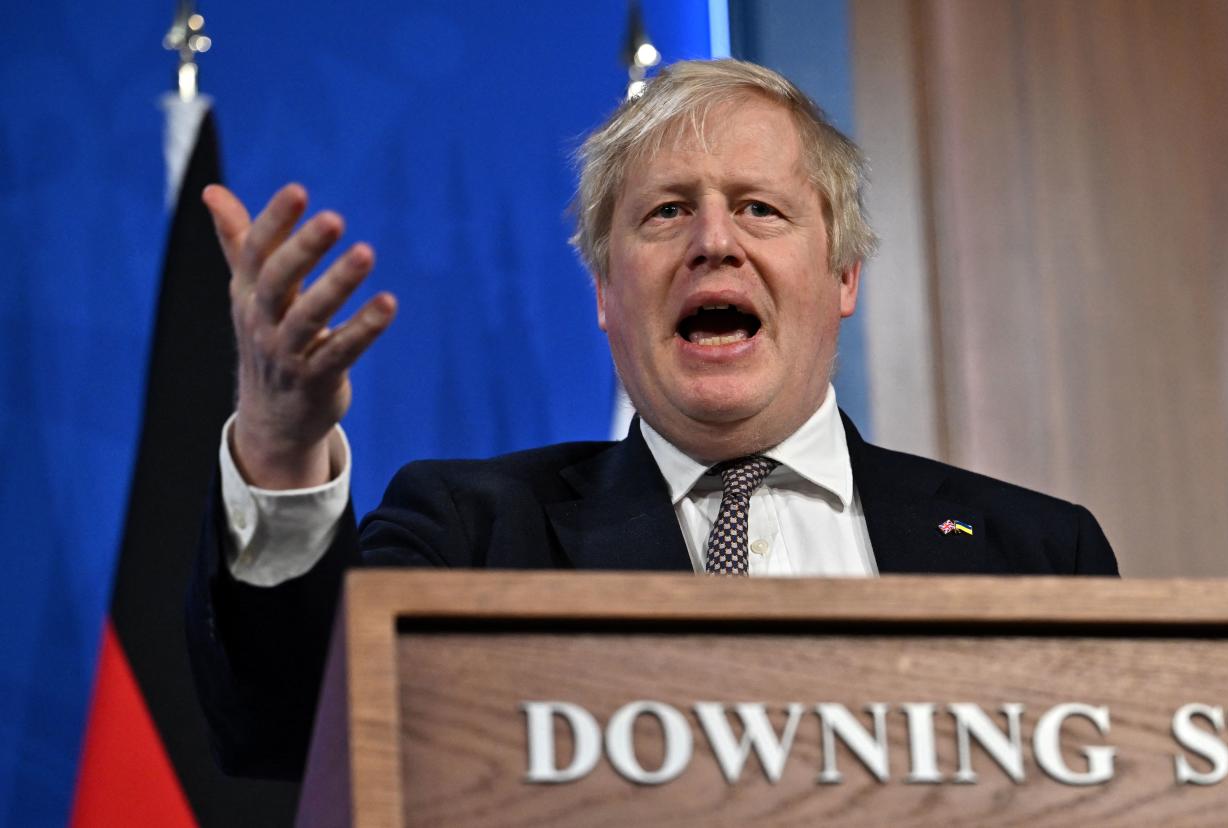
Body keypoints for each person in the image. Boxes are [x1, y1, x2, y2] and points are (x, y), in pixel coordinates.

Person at [186, 59, 1118, 779]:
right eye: (668, 213)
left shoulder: (1033, 552)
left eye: (760, 208)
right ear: (603, 291)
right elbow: (296, 730)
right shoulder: (472, 532)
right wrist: (277, 444)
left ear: (843, 277)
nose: (715, 243)